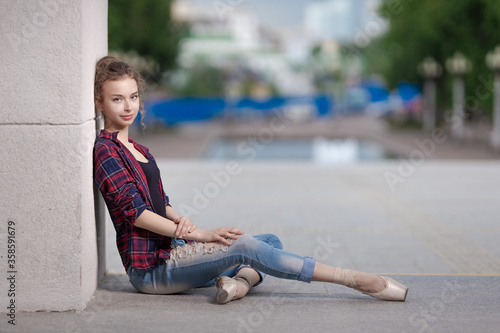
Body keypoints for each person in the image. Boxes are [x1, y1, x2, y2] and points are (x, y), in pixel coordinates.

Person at [93, 56, 408, 304]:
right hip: (151, 271)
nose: (128, 106)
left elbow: (160, 201)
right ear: (100, 102)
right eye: (117, 99)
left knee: (268, 241)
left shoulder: (138, 148)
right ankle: (351, 278)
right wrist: (202, 235)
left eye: (133, 97)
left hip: (175, 249)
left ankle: (237, 285)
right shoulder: (106, 151)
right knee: (245, 245)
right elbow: (137, 214)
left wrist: (182, 221)